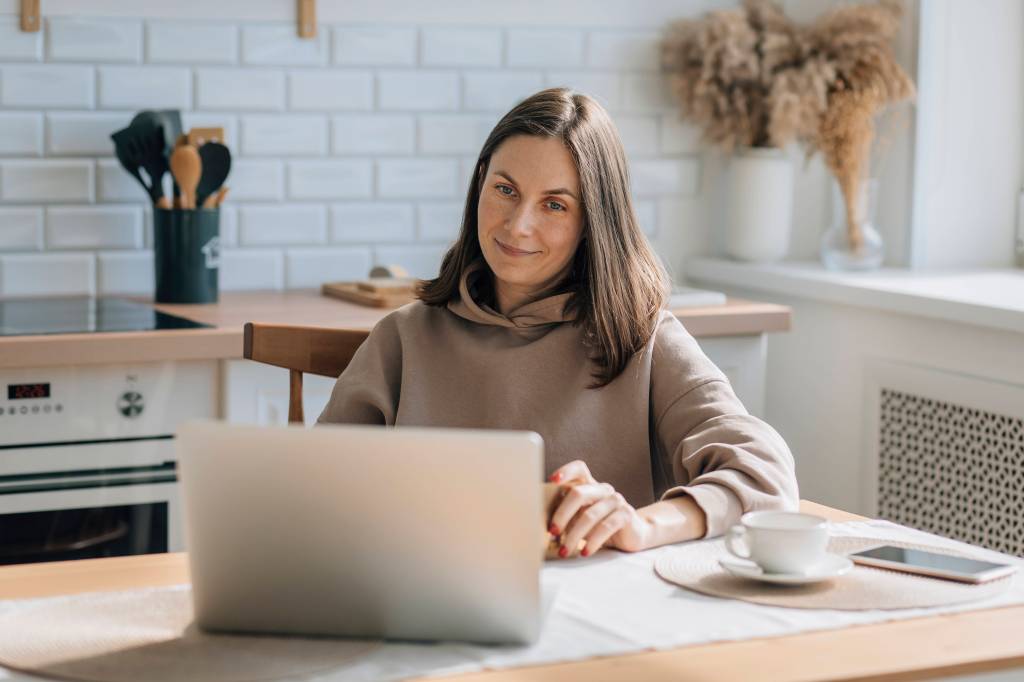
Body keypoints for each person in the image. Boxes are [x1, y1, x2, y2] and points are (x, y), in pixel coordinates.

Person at [317, 87, 798, 559]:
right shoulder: (403, 338)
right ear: (480, 182)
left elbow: (765, 475)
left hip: (598, 615)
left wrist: (643, 524)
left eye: (554, 204)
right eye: (505, 190)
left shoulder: (642, 339)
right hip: (416, 602)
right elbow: (311, 493)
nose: (518, 225)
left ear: (593, 221)